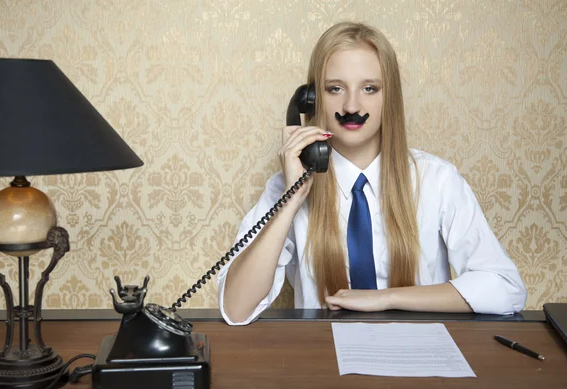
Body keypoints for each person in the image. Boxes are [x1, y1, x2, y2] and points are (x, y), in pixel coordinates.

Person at [217, 21, 526, 325]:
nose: (352, 105)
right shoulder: (288, 185)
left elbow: (506, 289)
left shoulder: (438, 180)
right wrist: (292, 197)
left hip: (418, 357)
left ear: (388, 97)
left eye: (369, 88)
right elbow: (236, 309)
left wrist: (387, 298)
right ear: (311, 99)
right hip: (326, 359)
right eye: (335, 88)